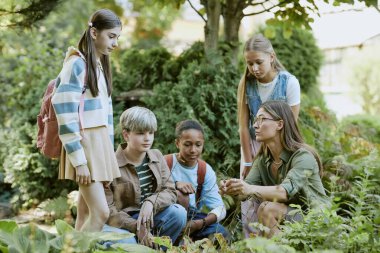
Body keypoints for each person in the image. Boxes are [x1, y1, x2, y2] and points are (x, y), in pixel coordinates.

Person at [51, 9, 122, 232]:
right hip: (84, 145)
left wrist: (107, 161)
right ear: (94, 33)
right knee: (101, 213)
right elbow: (64, 110)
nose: (115, 43)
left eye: (117, 37)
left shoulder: (99, 66)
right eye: (111, 36)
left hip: (98, 146)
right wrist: (79, 160)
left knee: (84, 216)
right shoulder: (76, 65)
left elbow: (105, 120)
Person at [221, 101, 329, 238]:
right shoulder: (263, 160)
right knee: (266, 209)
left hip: (318, 221)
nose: (255, 125)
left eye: (262, 119)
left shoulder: (303, 157)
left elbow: (283, 192)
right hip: (290, 217)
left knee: (268, 209)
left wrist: (248, 188)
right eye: (255, 120)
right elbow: (245, 192)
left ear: (280, 124)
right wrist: (232, 187)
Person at [237, 33, 301, 237]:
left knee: (274, 196)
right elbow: (243, 127)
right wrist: (248, 163)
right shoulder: (247, 84)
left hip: (279, 148)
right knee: (248, 200)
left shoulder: (289, 83)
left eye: (259, 62)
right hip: (253, 147)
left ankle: (278, 241)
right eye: (249, 63)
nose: (254, 68)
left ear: (271, 57)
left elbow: (291, 126)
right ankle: (251, 245)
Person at [104, 106, 187, 248]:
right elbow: (108, 210)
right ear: (126, 135)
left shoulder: (157, 156)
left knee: (179, 213)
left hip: (151, 217)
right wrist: (137, 227)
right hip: (121, 222)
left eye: (151, 132)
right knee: (128, 243)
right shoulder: (110, 163)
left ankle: (158, 249)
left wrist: (151, 202)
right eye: (140, 133)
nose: (147, 138)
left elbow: (170, 191)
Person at [166, 119, 229, 241]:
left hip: (193, 217)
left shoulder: (204, 170)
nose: (193, 150)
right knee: (180, 195)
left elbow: (220, 208)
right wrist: (175, 184)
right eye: (187, 144)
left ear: (203, 144)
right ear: (177, 143)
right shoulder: (165, 163)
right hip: (167, 213)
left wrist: (200, 223)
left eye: (198, 145)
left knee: (220, 234)